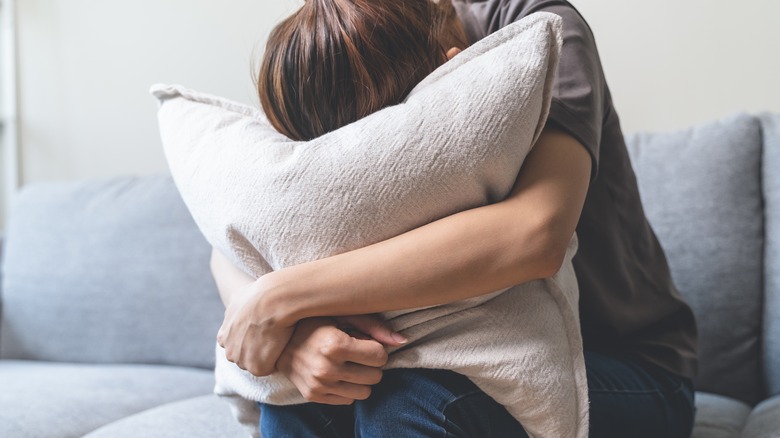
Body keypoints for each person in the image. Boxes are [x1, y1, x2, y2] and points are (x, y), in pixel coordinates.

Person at [210, 0, 698, 436]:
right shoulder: (328, 53)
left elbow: (536, 233)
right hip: (424, 351)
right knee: (299, 403)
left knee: (414, 401)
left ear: (450, 73)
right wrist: (293, 337)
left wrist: (282, 296)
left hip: (626, 365)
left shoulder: (538, 28)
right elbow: (241, 235)